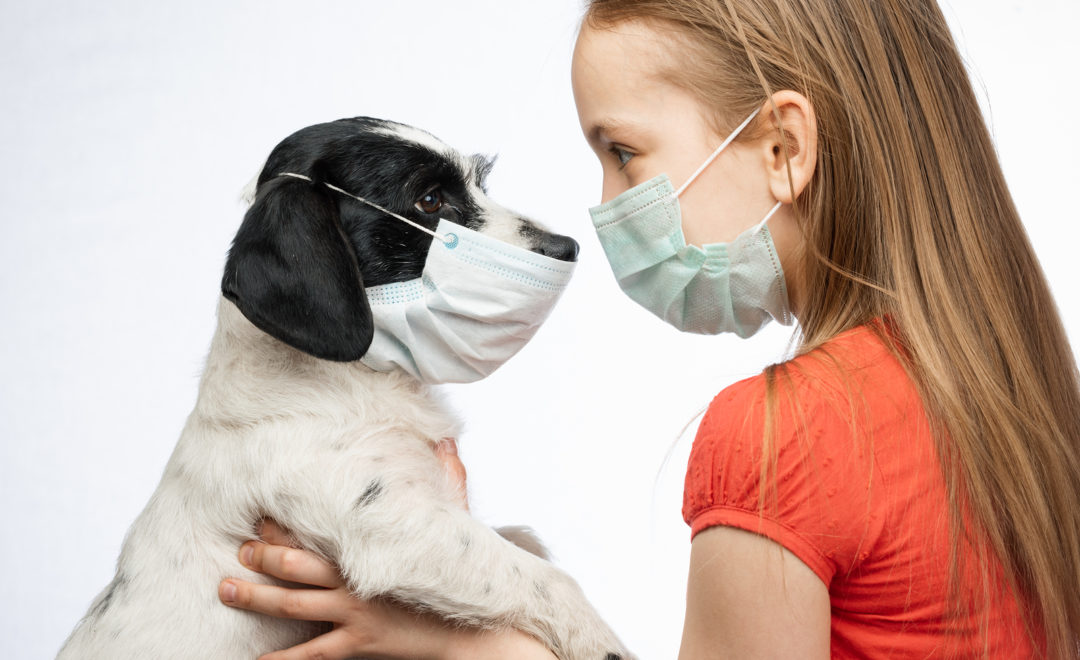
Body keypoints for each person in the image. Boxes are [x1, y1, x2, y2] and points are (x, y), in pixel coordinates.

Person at [217, 0, 1080, 658]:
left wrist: (468, 644)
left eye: (622, 152)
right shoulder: (1017, 386)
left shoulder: (790, 434)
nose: (602, 204)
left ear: (784, 147)